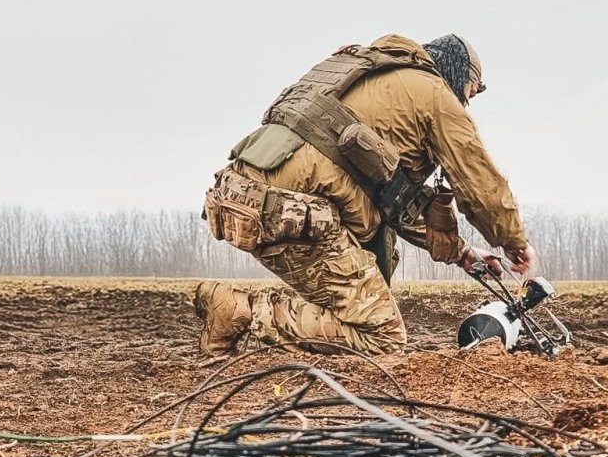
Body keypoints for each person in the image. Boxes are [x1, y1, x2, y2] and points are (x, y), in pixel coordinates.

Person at [195, 33, 536, 355]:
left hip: (242, 197)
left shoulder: (373, 76)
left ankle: (230, 334)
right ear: (456, 73)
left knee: (373, 270)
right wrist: (515, 244)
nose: (466, 103)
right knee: (382, 336)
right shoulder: (434, 95)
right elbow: (481, 182)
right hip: (290, 210)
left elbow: (393, 199)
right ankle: (240, 310)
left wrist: (462, 252)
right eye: (469, 92)